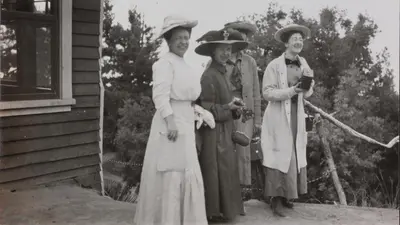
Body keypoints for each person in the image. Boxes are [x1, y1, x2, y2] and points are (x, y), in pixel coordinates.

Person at [133, 15, 207, 225]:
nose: (184, 41)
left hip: (186, 120)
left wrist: (198, 113)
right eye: (179, 38)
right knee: (172, 172)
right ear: (169, 40)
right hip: (171, 122)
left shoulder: (186, 64)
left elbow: (189, 97)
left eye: (186, 37)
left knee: (186, 170)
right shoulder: (164, 63)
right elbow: (160, 96)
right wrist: (171, 121)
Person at [260, 24, 315, 217]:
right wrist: (292, 90)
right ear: (286, 43)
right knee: (278, 153)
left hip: (296, 114)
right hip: (278, 115)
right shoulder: (274, 65)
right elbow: (267, 92)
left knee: (293, 153)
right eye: (294, 39)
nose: (298, 42)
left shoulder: (304, 63)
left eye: (301, 38)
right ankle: (275, 199)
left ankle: (287, 196)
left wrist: (307, 85)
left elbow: (308, 92)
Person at [194, 28, 248, 222]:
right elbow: (205, 109)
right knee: (216, 170)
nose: (226, 53)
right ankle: (214, 213)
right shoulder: (208, 75)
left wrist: (235, 107)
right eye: (222, 49)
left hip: (224, 132)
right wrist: (228, 107)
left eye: (229, 49)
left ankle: (225, 211)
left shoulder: (223, 72)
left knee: (226, 170)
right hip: (213, 134)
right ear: (213, 52)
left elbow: (223, 102)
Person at [222, 21, 263, 203]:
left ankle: (239, 198)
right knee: (225, 151)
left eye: (246, 34)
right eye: (239, 33)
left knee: (242, 153)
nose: (243, 37)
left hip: (245, 115)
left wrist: (257, 121)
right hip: (225, 113)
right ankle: (224, 197)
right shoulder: (220, 58)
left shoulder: (250, 62)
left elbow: (255, 92)